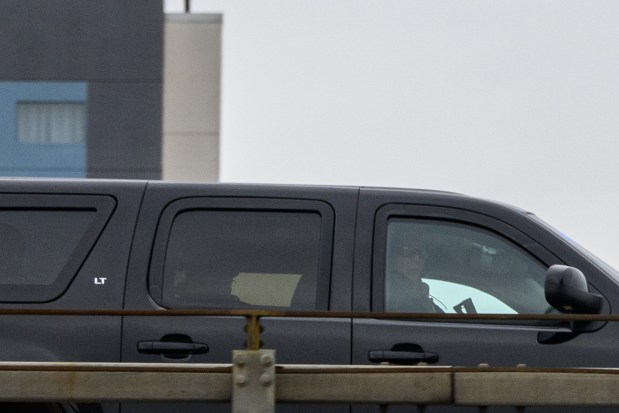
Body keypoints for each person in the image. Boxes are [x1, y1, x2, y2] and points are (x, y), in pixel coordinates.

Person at [385, 232, 439, 312]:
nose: (417, 259)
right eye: (407, 250)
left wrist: (426, 304)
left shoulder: (427, 303)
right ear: (392, 256)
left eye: (421, 252)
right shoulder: (380, 296)